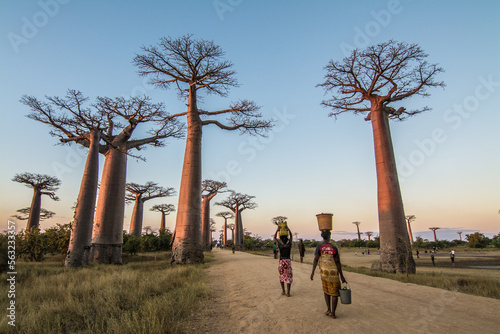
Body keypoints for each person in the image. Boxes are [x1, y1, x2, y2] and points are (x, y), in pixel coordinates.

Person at [310, 230, 346, 319]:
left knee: (326, 290)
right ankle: (333, 313)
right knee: (334, 292)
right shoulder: (334, 247)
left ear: (322, 236)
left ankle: (328, 309)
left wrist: (313, 272)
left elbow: (315, 259)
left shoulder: (319, 246)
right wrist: (341, 276)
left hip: (324, 272)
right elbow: (338, 262)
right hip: (333, 272)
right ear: (329, 236)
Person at [274, 226, 293, 297]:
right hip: (288, 261)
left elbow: (274, 238)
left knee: (281, 276)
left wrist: (277, 230)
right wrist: (288, 229)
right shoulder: (289, 245)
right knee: (288, 276)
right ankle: (288, 292)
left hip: (281, 261)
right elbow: (291, 237)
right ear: (287, 240)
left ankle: (283, 291)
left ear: (281, 240)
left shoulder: (280, 245)